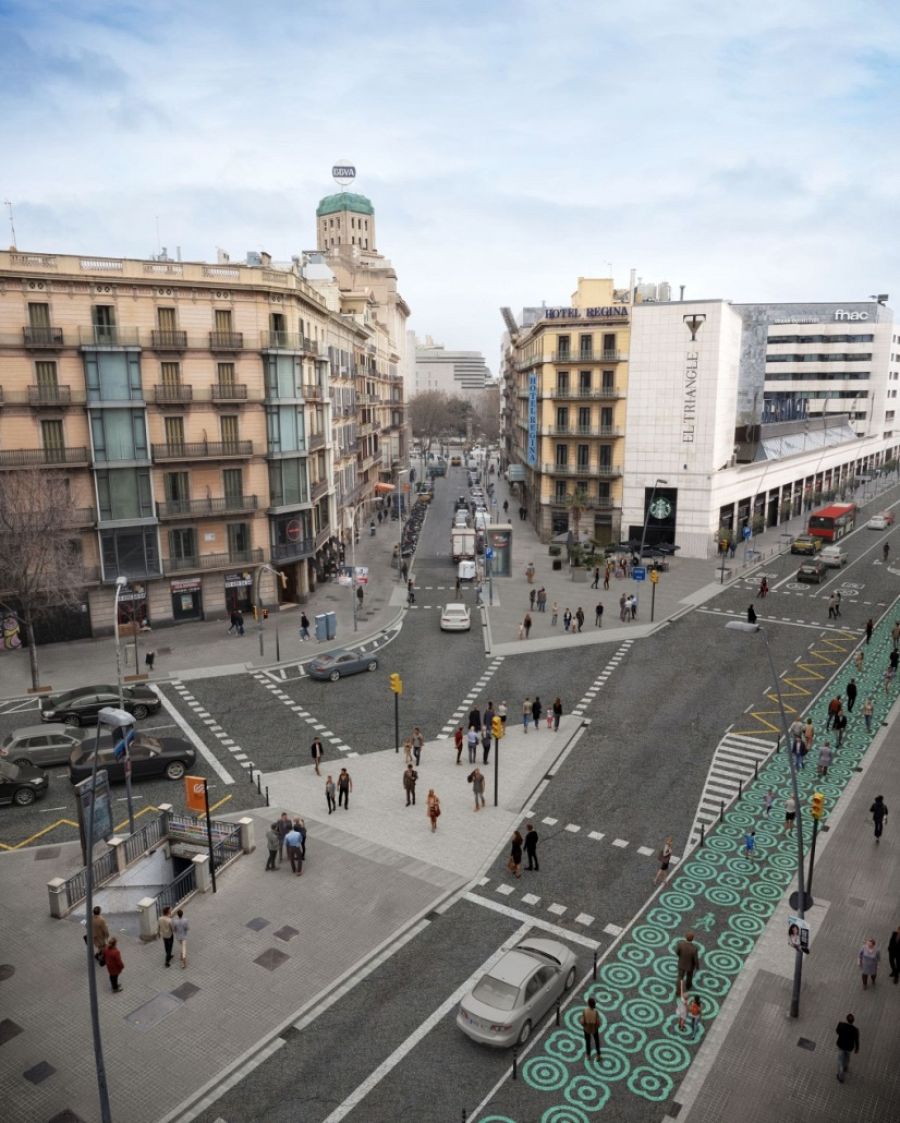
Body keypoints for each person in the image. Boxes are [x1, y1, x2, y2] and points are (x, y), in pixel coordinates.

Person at [835, 1014, 859, 1083]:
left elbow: (837, 1031)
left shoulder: (841, 1025)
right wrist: (857, 1048)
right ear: (853, 1021)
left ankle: (841, 1077)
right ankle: (845, 1067)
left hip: (841, 1045)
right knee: (847, 1057)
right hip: (849, 1047)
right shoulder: (855, 1030)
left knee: (840, 1061)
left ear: (846, 1019)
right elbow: (856, 1040)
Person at [580, 997, 601, 1061]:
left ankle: (588, 1056)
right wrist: (596, 1027)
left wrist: (585, 1026)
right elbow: (598, 1023)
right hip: (594, 1029)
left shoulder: (585, 1010)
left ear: (588, 1004)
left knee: (587, 1042)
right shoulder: (595, 1012)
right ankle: (598, 1055)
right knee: (597, 1041)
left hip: (586, 1029)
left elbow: (582, 1021)